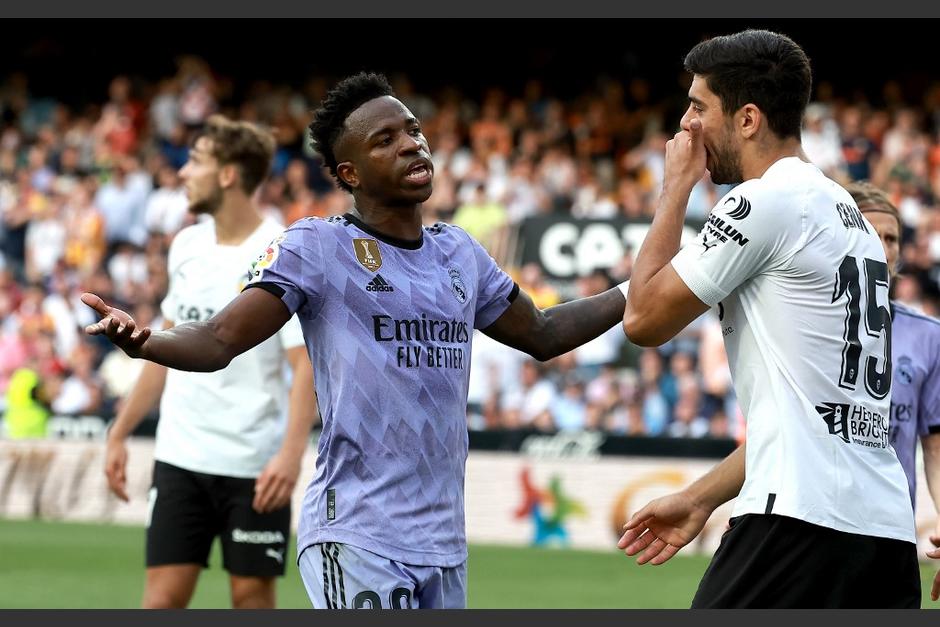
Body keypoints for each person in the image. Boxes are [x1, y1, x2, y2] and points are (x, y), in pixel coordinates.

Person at [81, 72, 629, 609]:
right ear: (351, 173)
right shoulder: (317, 247)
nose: (411, 145)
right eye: (385, 140)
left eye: (412, 130)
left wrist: (638, 290)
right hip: (357, 533)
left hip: (443, 543)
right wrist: (146, 342)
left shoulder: (459, 252)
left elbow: (544, 332)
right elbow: (220, 337)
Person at [617, 30, 919, 607]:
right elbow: (814, 418)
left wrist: (675, 187)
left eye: (699, 106)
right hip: (882, 532)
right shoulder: (848, 220)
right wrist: (703, 497)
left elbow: (644, 321)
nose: (686, 124)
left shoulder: (766, 201)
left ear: (748, 118)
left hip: (799, 523)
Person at [102, 114, 318, 609]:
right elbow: (165, 349)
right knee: (160, 602)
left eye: (196, 161)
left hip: (252, 462)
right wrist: (120, 431)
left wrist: (290, 455)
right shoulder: (186, 245)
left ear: (227, 174)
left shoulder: (279, 250)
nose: (182, 173)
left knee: (251, 599)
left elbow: (304, 363)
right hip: (180, 455)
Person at [846, 181, 940, 600]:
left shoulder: (928, 336)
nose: (883, 248)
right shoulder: (808, 324)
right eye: (871, 234)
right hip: (812, 526)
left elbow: (935, 448)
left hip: (890, 531)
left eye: (892, 239)